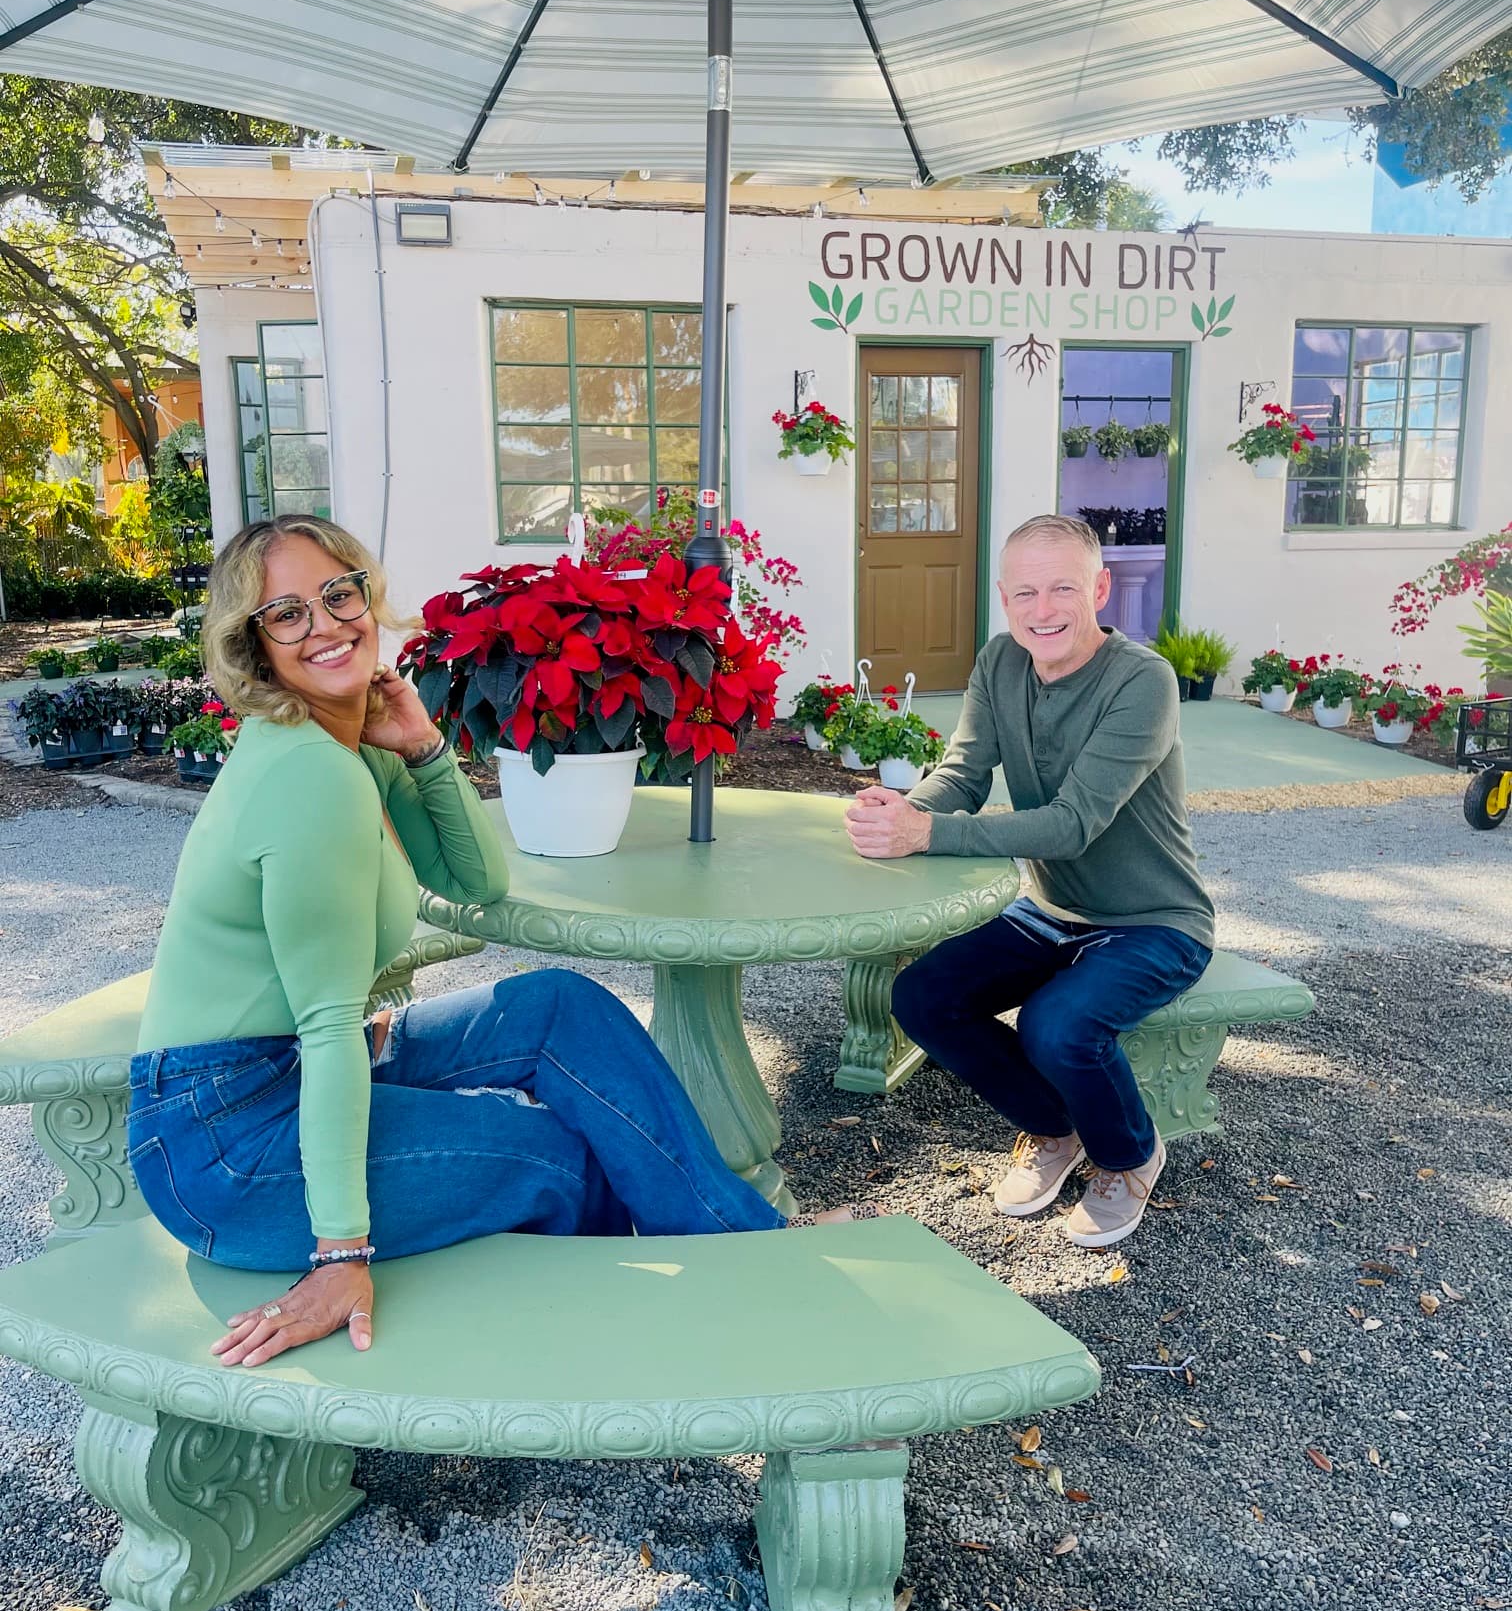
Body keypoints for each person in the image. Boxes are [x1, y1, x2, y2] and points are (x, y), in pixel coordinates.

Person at [130, 515, 836, 1374]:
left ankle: (746, 1257)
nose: (325, 625)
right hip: (229, 1141)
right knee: (559, 1161)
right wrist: (338, 1256)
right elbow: (323, 1028)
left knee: (558, 1008)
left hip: (285, 1074)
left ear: (365, 595)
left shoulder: (347, 745)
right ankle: (660, 1347)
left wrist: (424, 747)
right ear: (254, 644)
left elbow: (476, 882)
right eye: (287, 614)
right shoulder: (307, 776)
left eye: (337, 594)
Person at [843, 513, 1214, 1249]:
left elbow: (1073, 822)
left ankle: (1130, 1153)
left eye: (1063, 589)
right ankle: (1054, 1127)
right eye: (1025, 594)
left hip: (1155, 921)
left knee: (1059, 1024)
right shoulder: (999, 663)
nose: (1043, 611)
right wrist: (905, 811)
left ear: (1100, 588)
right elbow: (964, 774)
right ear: (1004, 600)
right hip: (1054, 908)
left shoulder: (1144, 681)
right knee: (921, 997)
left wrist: (930, 834)